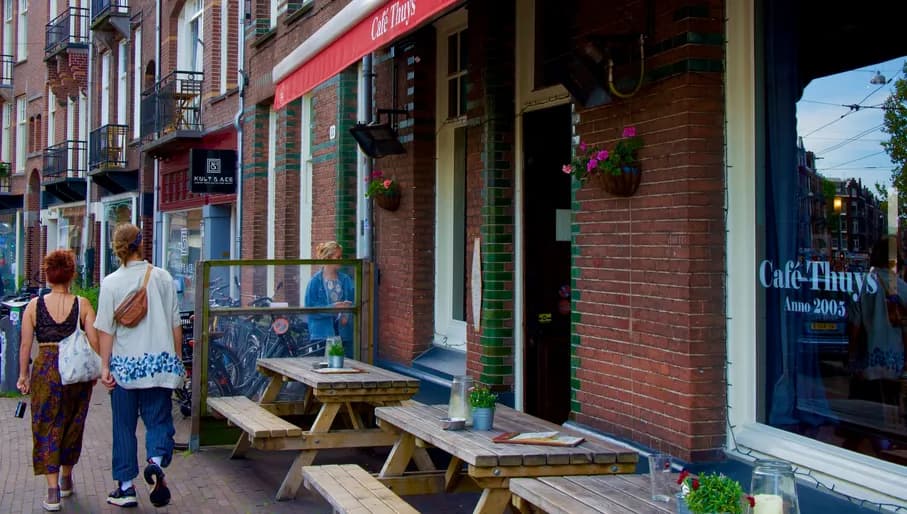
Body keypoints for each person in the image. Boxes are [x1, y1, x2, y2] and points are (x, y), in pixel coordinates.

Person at [93, 223, 184, 508]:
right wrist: (177, 360)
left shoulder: (110, 283)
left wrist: (105, 366)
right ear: (141, 244)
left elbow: (105, 330)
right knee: (159, 421)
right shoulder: (163, 277)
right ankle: (155, 461)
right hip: (158, 366)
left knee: (123, 427)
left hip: (125, 370)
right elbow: (175, 324)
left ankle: (125, 488)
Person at [16, 249, 100, 512]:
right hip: (75, 373)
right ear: (71, 275)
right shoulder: (82, 304)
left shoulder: (34, 306)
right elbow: (94, 340)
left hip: (46, 370)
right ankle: (66, 478)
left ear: (48, 276)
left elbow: (25, 345)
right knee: (73, 423)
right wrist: (96, 369)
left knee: (46, 425)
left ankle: (52, 492)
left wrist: (23, 375)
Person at [304, 241, 355, 357]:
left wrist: (346, 313)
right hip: (322, 334)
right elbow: (310, 309)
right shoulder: (315, 282)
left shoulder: (345, 279)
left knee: (344, 364)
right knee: (323, 366)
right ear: (328, 258)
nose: (341, 259)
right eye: (338, 257)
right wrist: (332, 308)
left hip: (343, 334)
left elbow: (353, 301)